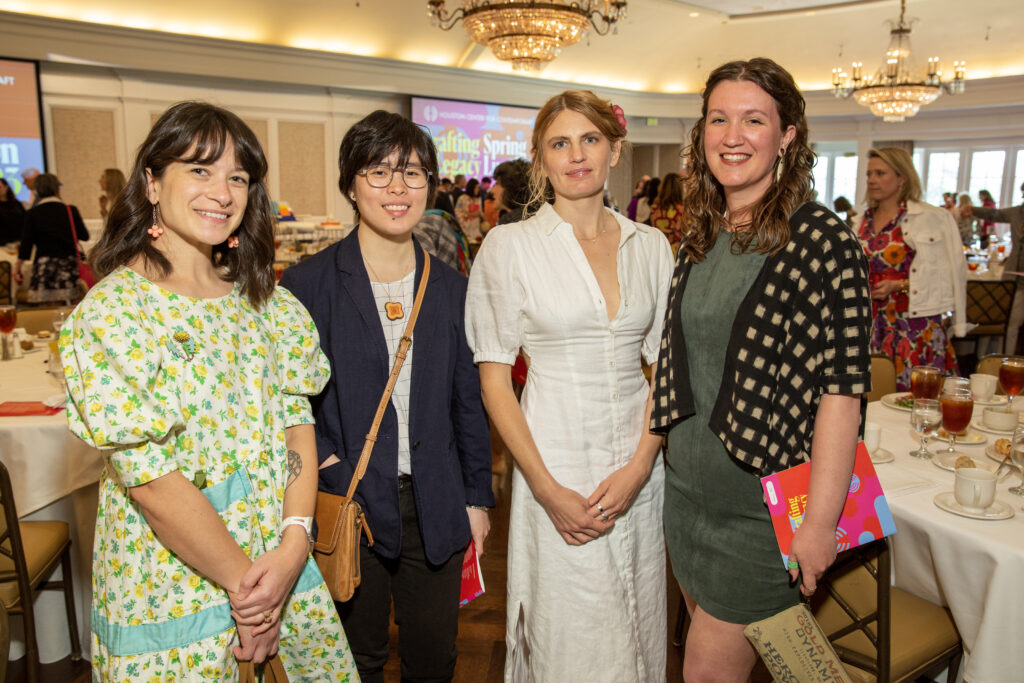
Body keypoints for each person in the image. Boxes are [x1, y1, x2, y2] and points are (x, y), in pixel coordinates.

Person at [59, 101, 359, 680]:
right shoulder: (115, 314)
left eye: (238, 177)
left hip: (281, 565)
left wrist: (295, 543)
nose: (221, 192)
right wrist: (250, 593)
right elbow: (151, 484)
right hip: (175, 579)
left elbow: (297, 427)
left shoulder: (268, 304)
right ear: (151, 182)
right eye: (199, 170)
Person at [650, 58, 872, 683]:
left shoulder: (824, 241)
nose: (732, 135)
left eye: (754, 119)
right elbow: (680, 366)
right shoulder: (701, 233)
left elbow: (842, 392)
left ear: (788, 135)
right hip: (688, 500)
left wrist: (821, 524)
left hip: (763, 516)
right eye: (718, 119)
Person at [280, 109, 493, 683]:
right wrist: (326, 464)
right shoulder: (306, 286)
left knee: (434, 660)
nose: (398, 189)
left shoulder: (451, 288)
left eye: (414, 173)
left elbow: (466, 402)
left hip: (436, 502)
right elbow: (289, 399)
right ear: (351, 183)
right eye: (379, 172)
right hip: (348, 501)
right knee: (356, 661)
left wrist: (477, 498)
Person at [466, 89, 673, 682]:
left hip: (640, 464)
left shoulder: (651, 246)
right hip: (551, 463)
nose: (576, 155)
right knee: (570, 633)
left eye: (590, 139)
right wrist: (546, 487)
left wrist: (640, 465)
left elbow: (664, 372)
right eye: (560, 143)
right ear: (541, 160)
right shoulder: (510, 248)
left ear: (614, 151)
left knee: (640, 624)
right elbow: (495, 383)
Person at [858, 148, 966, 389]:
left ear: (902, 178)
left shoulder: (932, 217)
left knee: (918, 399)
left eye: (880, 173)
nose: (871, 180)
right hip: (872, 323)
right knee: (874, 398)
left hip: (915, 323)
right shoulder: (860, 221)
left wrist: (900, 285)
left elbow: (953, 272)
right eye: (868, 174)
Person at [966, 182, 1024, 353]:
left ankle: (1007, 362)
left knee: (1012, 322)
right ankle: (994, 361)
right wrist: (972, 209)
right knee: (1004, 319)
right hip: (1013, 275)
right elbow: (994, 213)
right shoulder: (1017, 212)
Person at [15, 173, 89, 304]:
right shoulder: (70, 210)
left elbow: (26, 246)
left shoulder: (33, 213)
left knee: (47, 309)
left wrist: (17, 267)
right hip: (68, 267)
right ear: (57, 189)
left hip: (44, 268)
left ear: (37, 190)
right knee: (72, 308)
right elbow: (84, 235)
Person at [649, 171, 685, 250]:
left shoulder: (654, 209)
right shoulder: (681, 210)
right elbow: (682, 234)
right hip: (675, 250)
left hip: (658, 249)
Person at [490, 158, 531, 226]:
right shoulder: (526, 218)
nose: (492, 190)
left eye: (497, 183)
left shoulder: (510, 223)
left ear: (510, 187)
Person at [454, 177, 485, 242]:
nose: (478, 190)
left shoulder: (478, 199)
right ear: (471, 188)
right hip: (465, 230)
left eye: (478, 188)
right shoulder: (462, 198)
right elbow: (457, 212)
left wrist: (481, 215)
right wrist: (468, 214)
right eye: (476, 187)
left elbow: (480, 212)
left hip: (477, 230)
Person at [0, 178, 25, 245]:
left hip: (19, 242)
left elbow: (25, 221)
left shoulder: (17, 204)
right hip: (2, 244)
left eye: (0, 187)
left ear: (6, 187)